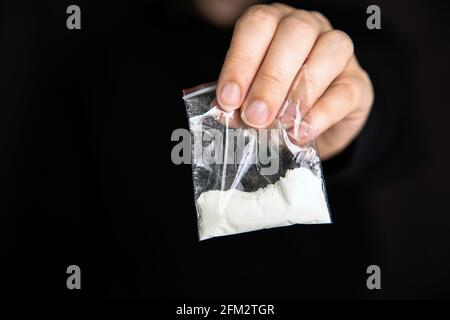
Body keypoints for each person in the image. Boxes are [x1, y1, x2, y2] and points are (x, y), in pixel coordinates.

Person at [2, 0, 421, 298]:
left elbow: (397, 122)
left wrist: (351, 118)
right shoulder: (98, 59)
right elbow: (52, 231)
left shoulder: (347, 25)